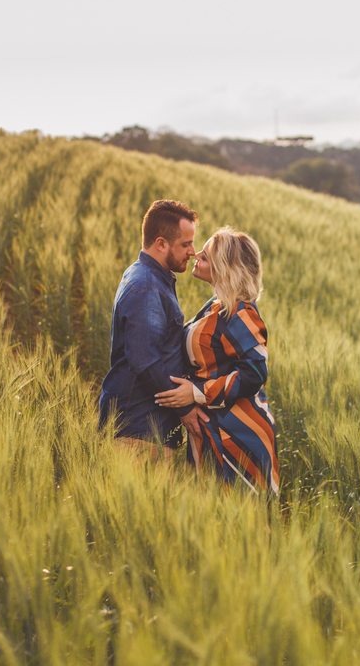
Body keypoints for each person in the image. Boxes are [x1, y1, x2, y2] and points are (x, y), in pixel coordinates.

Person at [155, 227, 279, 494]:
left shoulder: (241, 312)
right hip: (212, 431)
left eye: (206, 255)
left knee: (240, 515)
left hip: (239, 436)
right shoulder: (216, 305)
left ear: (225, 268)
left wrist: (197, 392)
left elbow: (255, 373)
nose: (196, 255)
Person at [98, 200, 210, 458]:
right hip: (139, 430)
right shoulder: (147, 287)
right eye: (185, 244)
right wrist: (184, 409)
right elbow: (146, 361)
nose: (193, 251)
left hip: (145, 428)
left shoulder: (148, 277)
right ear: (161, 243)